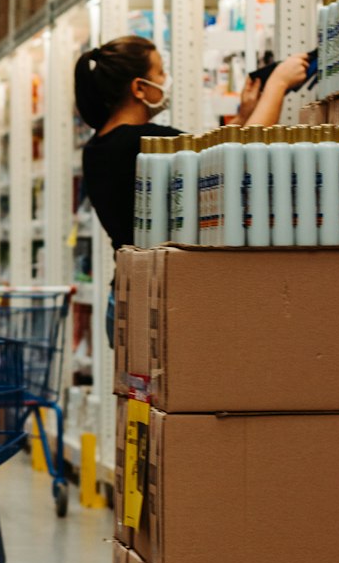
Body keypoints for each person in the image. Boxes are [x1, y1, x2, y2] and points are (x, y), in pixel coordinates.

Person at [74, 36, 309, 345]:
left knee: (134, 394)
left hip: (125, 295)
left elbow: (210, 155)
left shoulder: (98, 148)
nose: (165, 81)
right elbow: (239, 157)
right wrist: (278, 84)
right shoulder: (145, 143)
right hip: (159, 301)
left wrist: (241, 116)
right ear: (139, 88)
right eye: (160, 72)